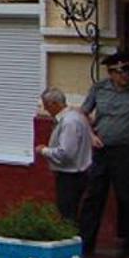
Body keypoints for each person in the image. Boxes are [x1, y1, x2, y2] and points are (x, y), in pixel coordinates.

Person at [79, 51, 129, 258]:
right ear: (111, 73)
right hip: (102, 150)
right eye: (120, 72)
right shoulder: (99, 89)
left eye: (127, 70)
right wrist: (91, 135)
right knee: (94, 196)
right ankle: (85, 243)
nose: (125, 76)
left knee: (127, 197)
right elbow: (83, 113)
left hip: (127, 151)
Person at [38, 86, 93, 226]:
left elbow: (66, 153)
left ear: (55, 104)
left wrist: (44, 151)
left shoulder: (69, 122)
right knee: (70, 212)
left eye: (46, 106)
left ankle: (71, 243)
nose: (45, 110)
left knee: (67, 214)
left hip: (70, 175)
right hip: (77, 173)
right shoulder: (77, 117)